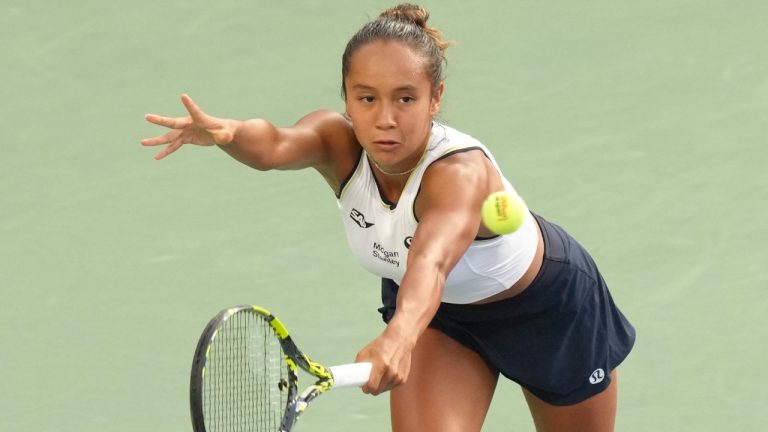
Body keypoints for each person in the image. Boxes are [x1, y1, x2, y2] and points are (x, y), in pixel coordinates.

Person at [141, 4, 635, 431]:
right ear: (346, 98)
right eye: (367, 98)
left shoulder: (458, 174)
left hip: (546, 313)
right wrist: (228, 134)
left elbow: (432, 262)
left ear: (435, 98)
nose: (385, 119)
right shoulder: (337, 143)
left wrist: (398, 336)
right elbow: (272, 145)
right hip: (442, 320)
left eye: (405, 98)